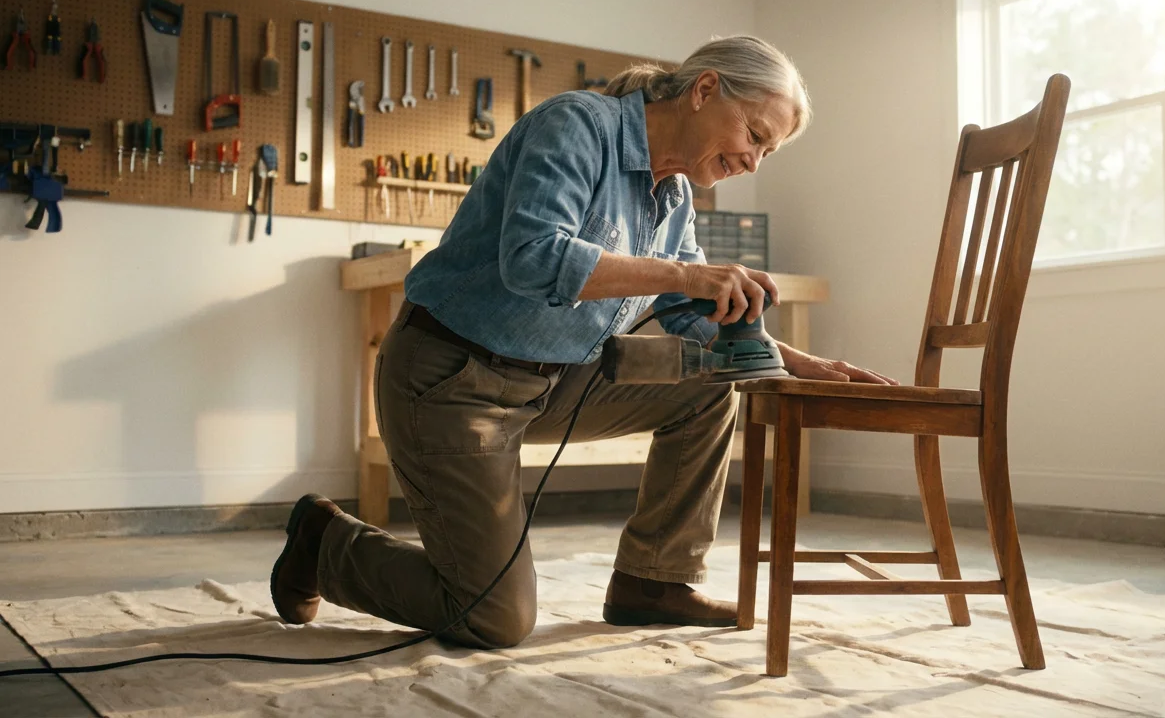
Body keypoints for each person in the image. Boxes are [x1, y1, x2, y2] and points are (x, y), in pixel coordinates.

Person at [270, 35, 897, 648]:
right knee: (491, 618)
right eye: (755, 136)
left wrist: (803, 365)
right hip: (450, 380)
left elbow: (690, 312)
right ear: (705, 90)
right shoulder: (577, 125)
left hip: (555, 381)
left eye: (769, 152)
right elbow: (533, 258)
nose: (754, 162)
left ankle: (654, 582)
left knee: (710, 380)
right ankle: (323, 543)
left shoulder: (674, 195)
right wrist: (686, 273)